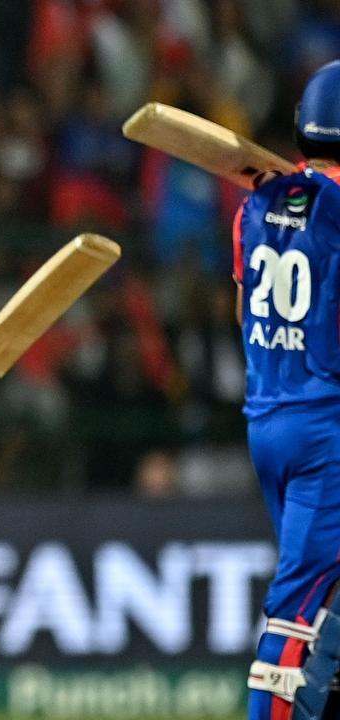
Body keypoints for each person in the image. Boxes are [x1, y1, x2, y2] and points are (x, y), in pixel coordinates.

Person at [235, 60, 340, 720]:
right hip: (330, 429)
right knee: (300, 611)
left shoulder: (254, 206)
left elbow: (241, 309)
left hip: (269, 415)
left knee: (330, 605)